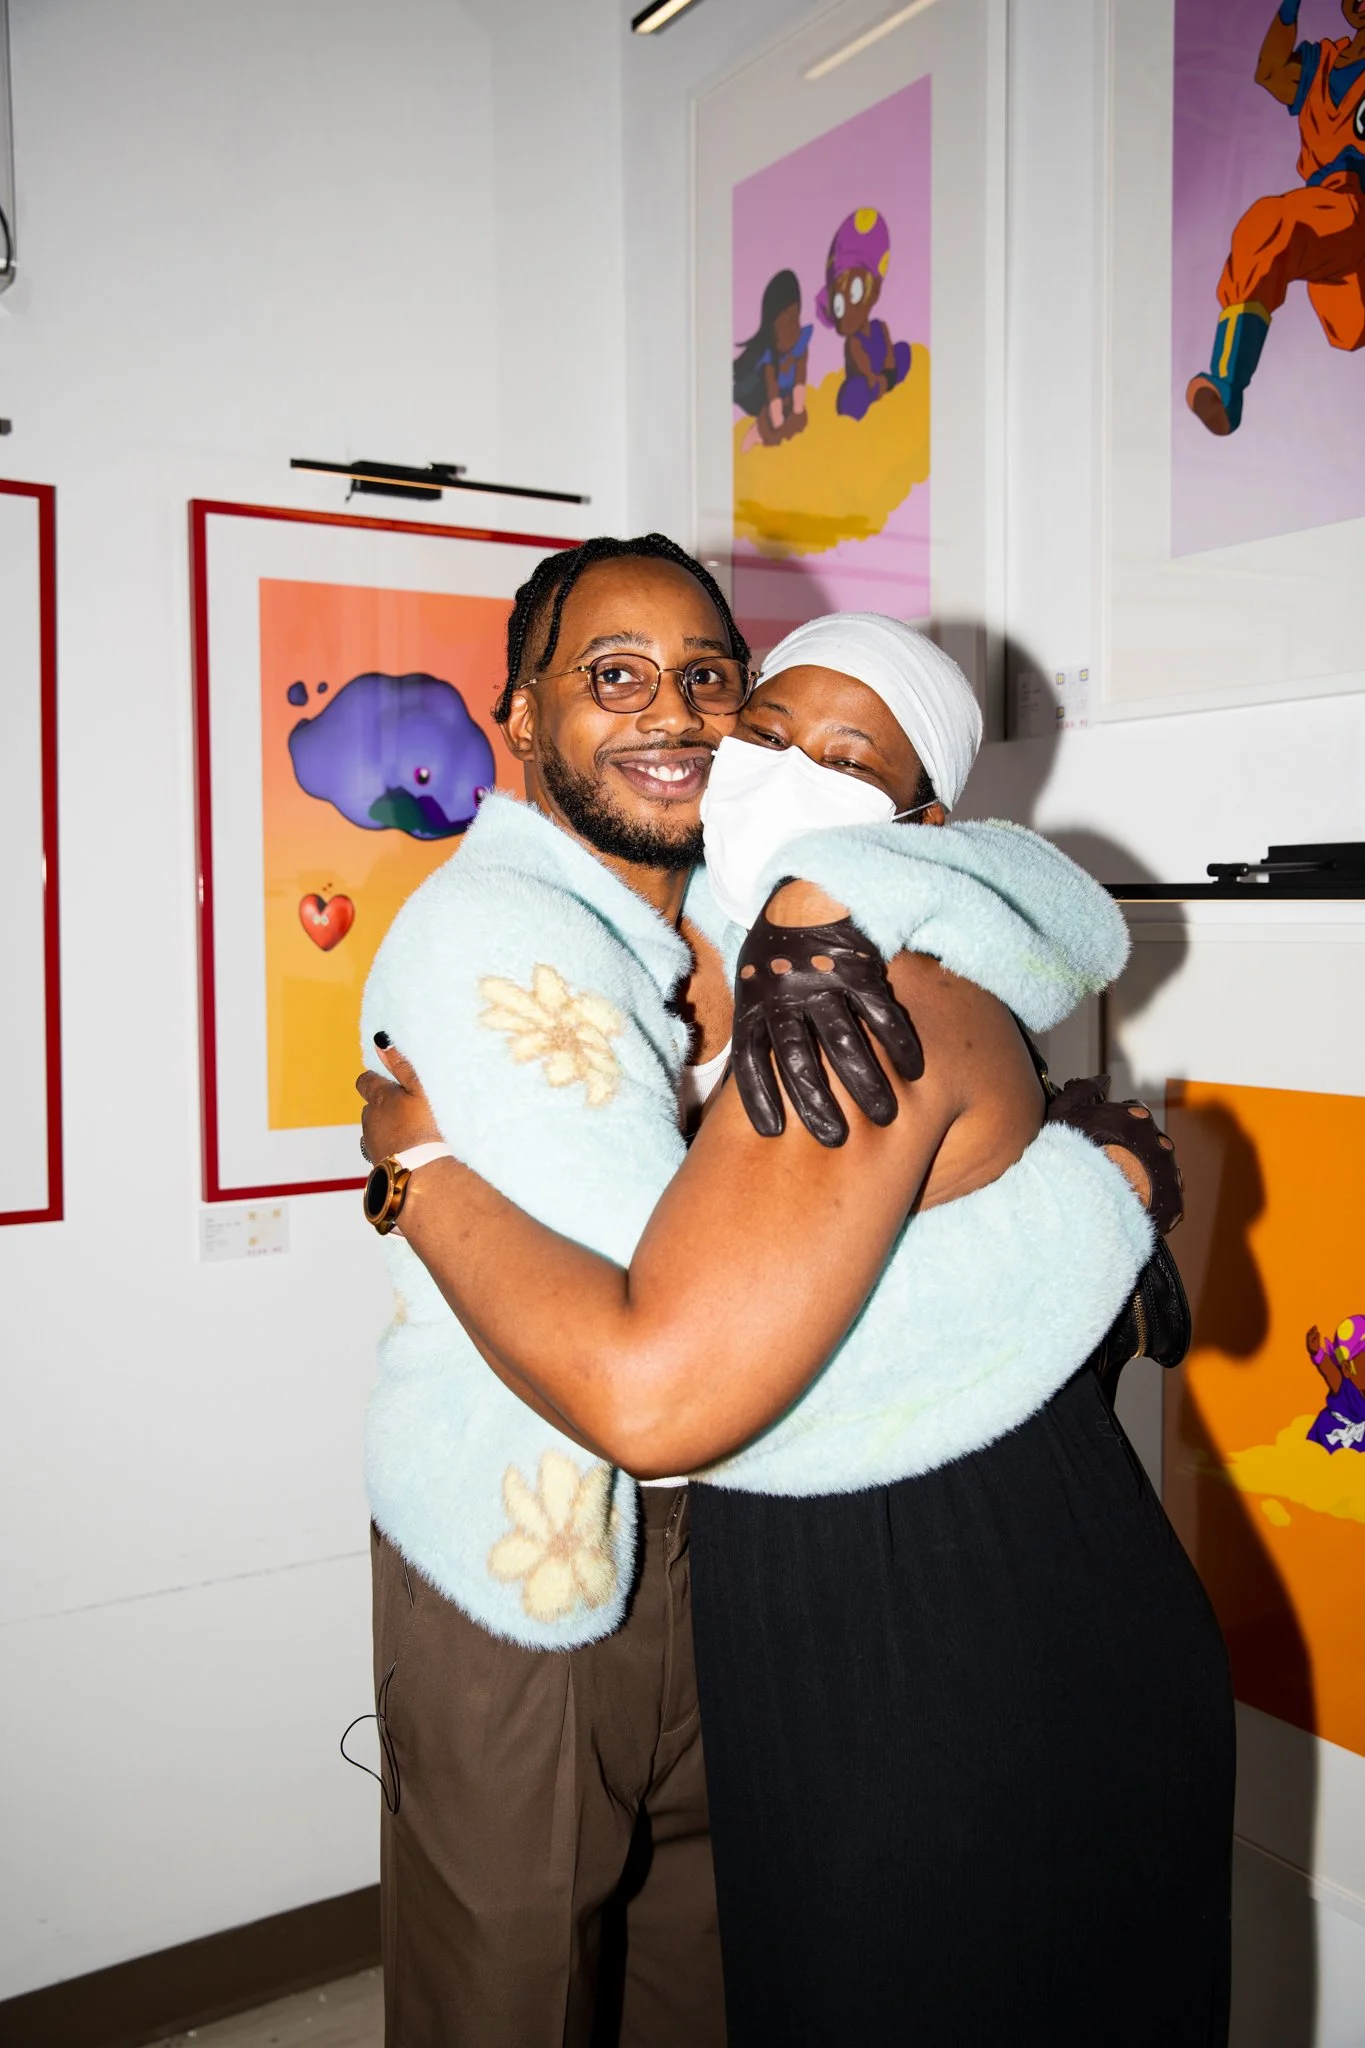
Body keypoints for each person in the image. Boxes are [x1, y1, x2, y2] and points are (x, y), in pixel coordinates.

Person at [359, 613, 1234, 2047]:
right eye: (766, 732)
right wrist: (1104, 1191)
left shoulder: (840, 1004)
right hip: (887, 1591)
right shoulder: (750, 958)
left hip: (954, 1625)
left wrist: (417, 1176)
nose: (784, 775)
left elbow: (657, 1398)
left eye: (847, 761)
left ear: (919, 826)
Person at [1186, 0, 1365, 437]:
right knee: (1349, 329)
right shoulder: (1322, 61)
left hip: (1354, 206)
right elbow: (1271, 72)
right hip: (1326, 216)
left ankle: (1227, 384)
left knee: (1270, 224)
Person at [816, 208, 913, 421]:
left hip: (884, 378)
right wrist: (875, 381)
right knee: (853, 392)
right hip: (868, 383)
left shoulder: (880, 327)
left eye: (854, 292)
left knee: (903, 351)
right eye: (839, 306)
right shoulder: (853, 342)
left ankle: (885, 388)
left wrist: (888, 372)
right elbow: (863, 369)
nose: (847, 312)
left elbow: (889, 354)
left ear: (873, 291)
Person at [733, 268, 813, 449]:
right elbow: (772, 389)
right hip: (771, 400)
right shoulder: (769, 358)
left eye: (795, 321)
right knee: (771, 420)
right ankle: (758, 433)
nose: (791, 331)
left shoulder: (801, 345)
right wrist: (777, 415)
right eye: (783, 326)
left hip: (789, 399)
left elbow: (800, 378)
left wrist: (798, 406)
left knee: (799, 420)